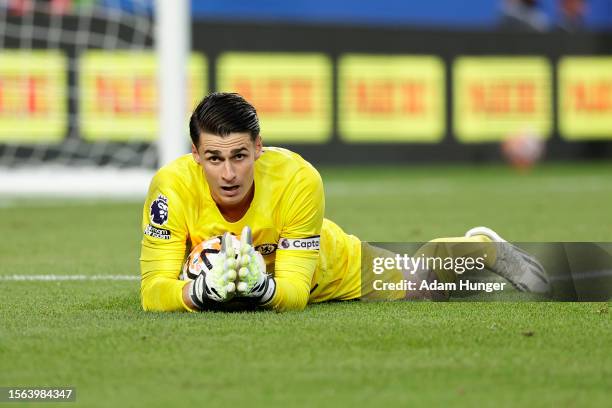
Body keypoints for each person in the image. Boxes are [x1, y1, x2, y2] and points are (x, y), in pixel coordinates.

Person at [140, 92, 550, 312]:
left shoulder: (298, 178)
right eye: (214, 158)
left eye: (239, 156)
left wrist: (262, 288)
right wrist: (197, 293)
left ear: (258, 148)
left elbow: (296, 292)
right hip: (240, 282)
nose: (227, 173)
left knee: (426, 290)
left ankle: (480, 246)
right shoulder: (170, 188)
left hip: (331, 269)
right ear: (195, 154)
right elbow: (153, 291)